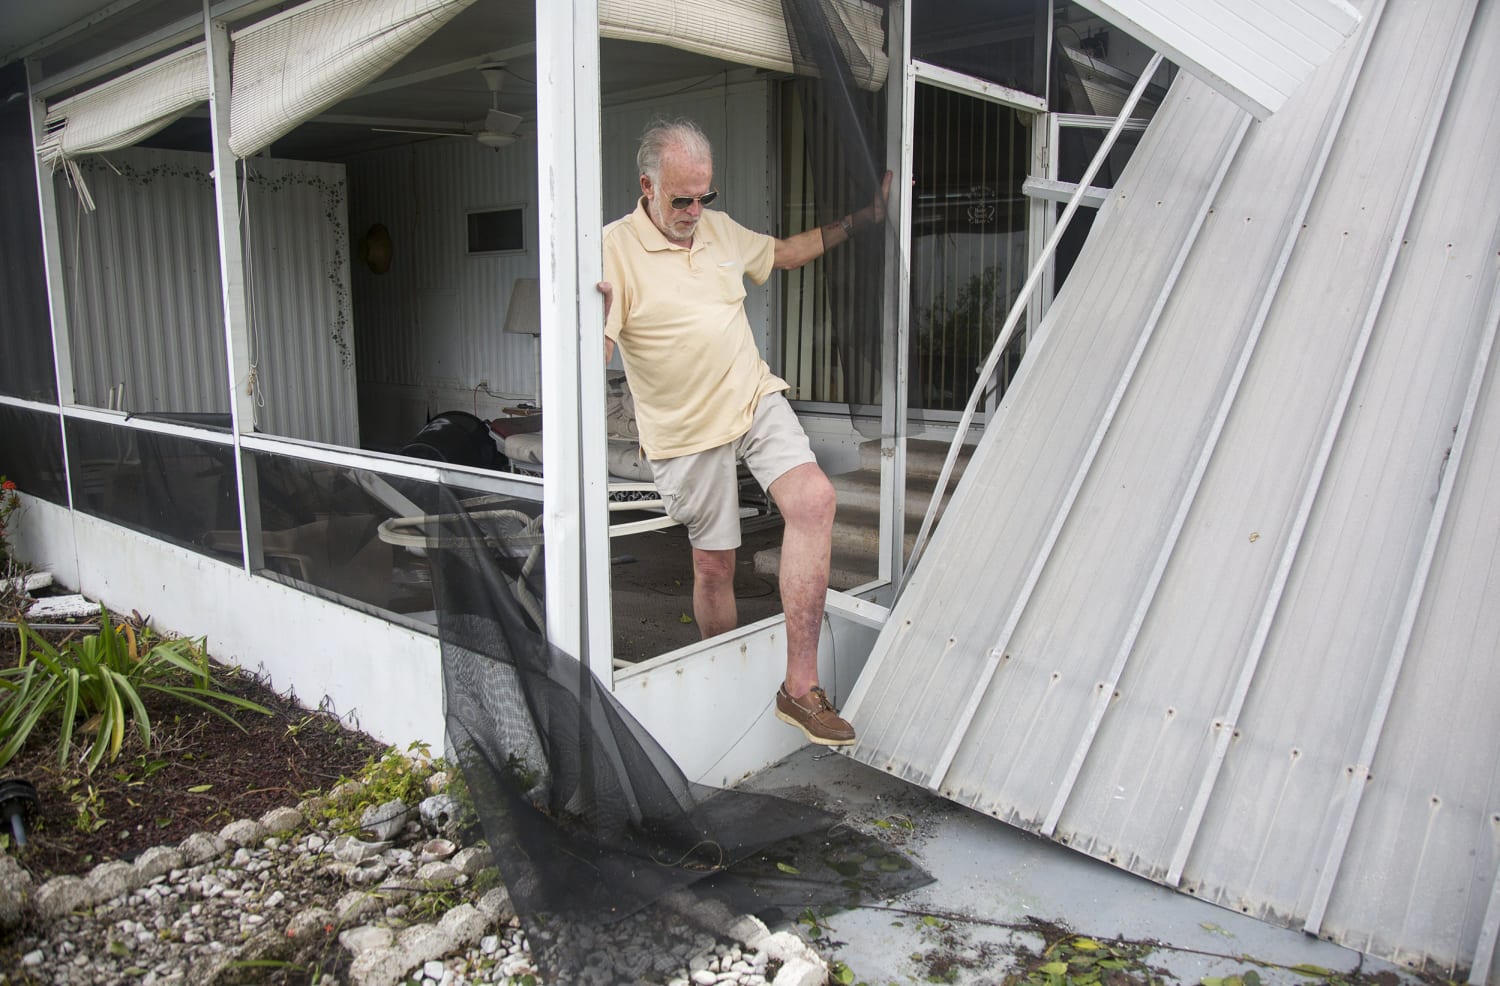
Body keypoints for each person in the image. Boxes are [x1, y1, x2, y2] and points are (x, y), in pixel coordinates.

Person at [598, 117, 888, 747]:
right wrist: (584, 329)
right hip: (684, 430)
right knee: (714, 568)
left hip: (750, 395)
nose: (696, 211)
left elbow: (783, 254)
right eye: (682, 199)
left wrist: (859, 221)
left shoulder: (718, 231)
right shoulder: (613, 250)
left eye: (707, 196)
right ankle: (722, 674)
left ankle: (800, 689)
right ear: (645, 186)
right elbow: (597, 343)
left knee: (815, 499)